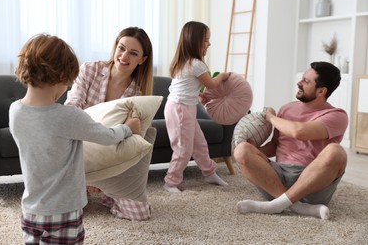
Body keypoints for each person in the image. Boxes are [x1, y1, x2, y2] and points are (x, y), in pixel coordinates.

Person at [9, 33, 141, 244]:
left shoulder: (15, 111)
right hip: (64, 212)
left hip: (30, 211)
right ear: (61, 76)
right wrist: (127, 128)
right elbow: (107, 137)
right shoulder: (68, 117)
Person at [234, 61, 348, 220]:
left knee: (337, 152)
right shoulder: (287, 108)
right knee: (241, 150)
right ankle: (296, 206)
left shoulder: (337, 116)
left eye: (306, 82)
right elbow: (275, 145)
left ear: (321, 91)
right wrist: (250, 151)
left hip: (311, 183)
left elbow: (299, 132)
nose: (299, 83)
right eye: (302, 78)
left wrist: (271, 117)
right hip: (276, 180)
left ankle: (277, 204)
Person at [65, 27, 154, 220]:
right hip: (79, 153)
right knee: (69, 213)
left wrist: (102, 173)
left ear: (142, 59)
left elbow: (129, 138)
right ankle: (82, 185)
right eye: (121, 48)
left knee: (139, 214)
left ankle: (104, 191)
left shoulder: (138, 94)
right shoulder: (90, 69)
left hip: (109, 159)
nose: (124, 56)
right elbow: (72, 109)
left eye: (133, 53)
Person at [163, 21, 230, 193]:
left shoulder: (184, 63)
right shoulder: (196, 64)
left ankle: (209, 172)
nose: (209, 44)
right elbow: (212, 84)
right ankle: (170, 182)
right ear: (195, 41)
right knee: (183, 148)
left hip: (183, 106)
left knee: (199, 143)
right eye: (206, 40)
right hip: (181, 109)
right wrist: (222, 76)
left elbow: (187, 87)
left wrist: (197, 95)